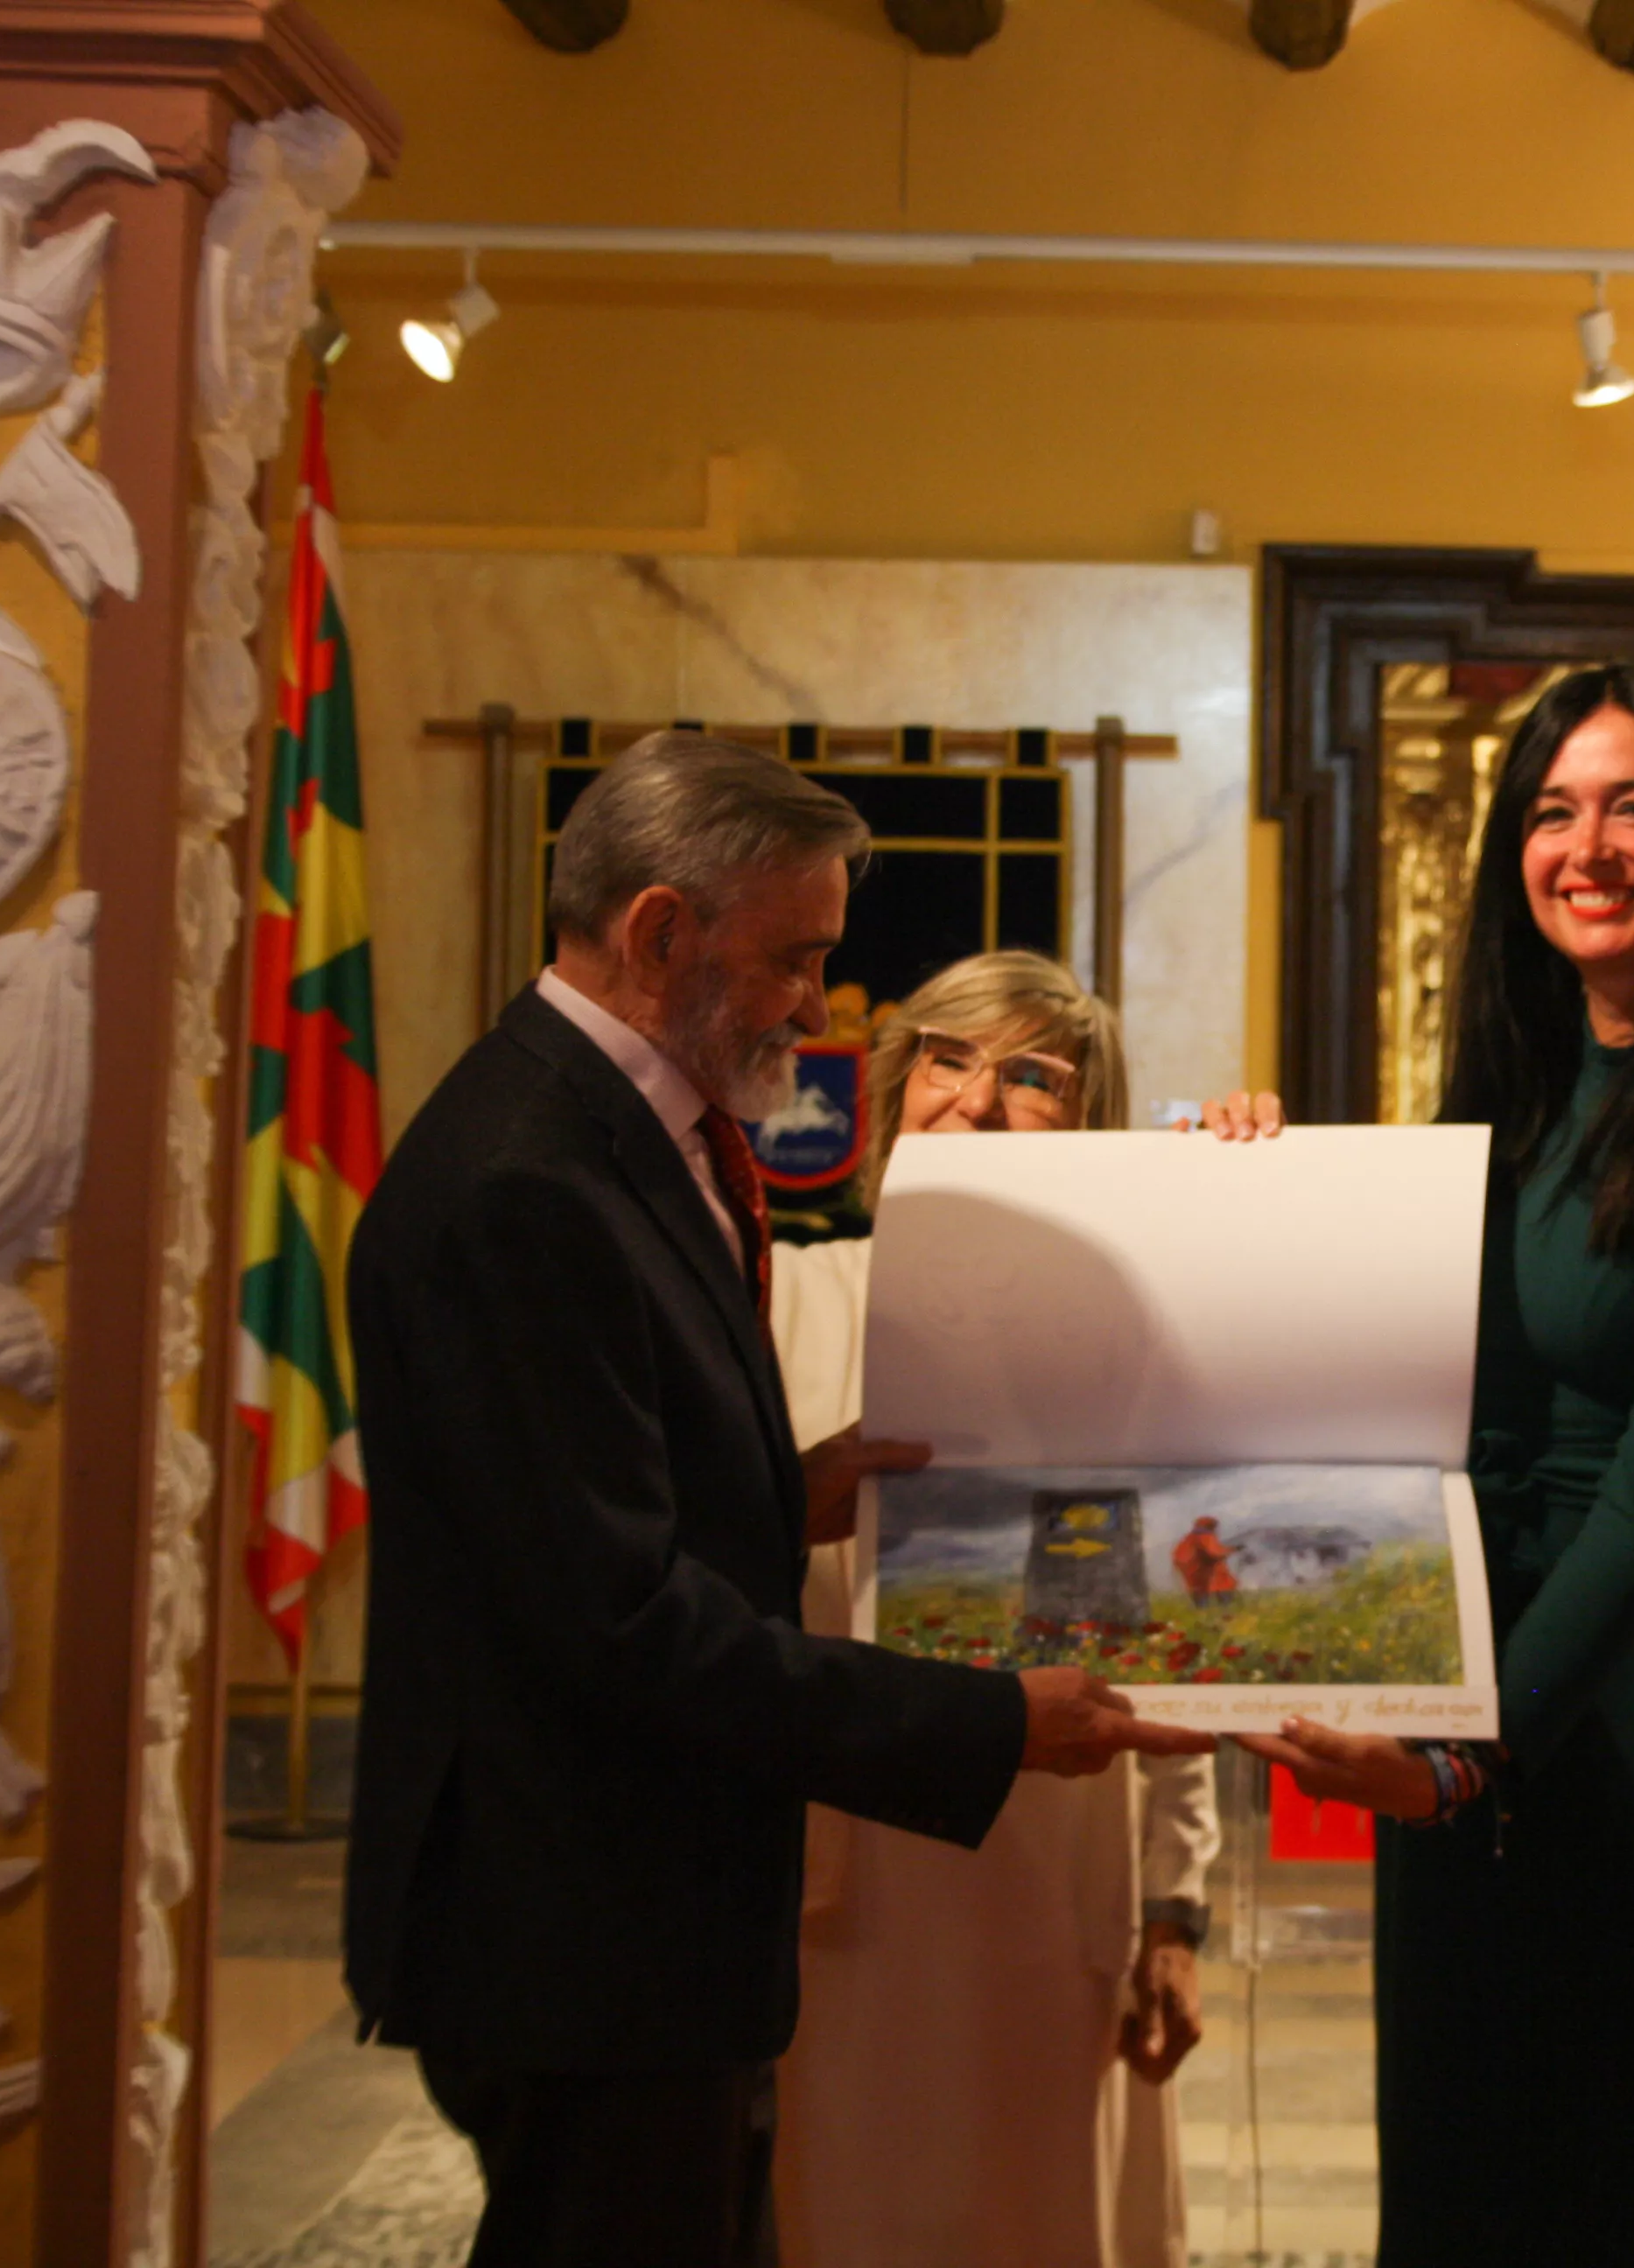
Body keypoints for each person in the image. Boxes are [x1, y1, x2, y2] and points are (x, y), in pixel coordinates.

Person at [344, 736, 1210, 2268]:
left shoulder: (604, 1145)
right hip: (593, 1923)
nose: (819, 1007)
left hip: (676, 1917)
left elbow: (611, 1512)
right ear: (664, 931)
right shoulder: (528, 1182)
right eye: (797, 959)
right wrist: (992, 1727)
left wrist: (781, 1495)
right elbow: (619, 1617)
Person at [1242, 663, 1634, 2268]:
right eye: (1549, 811)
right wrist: (1243, 1195)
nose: (1585, 846)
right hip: (1477, 1672)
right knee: (1470, 2170)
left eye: (1633, 804)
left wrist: (1471, 1757)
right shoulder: (1506, 1094)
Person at [768, 949, 1272, 2268]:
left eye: (1033, 1077)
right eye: (949, 1059)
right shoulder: (781, 1302)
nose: (978, 1103)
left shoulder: (1122, 1335)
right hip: (844, 1892)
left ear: (1089, 1127)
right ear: (894, 1089)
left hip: (1053, 1876)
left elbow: (1174, 1644)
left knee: (1044, 2221)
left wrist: (1177, 1912)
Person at [1171, 1515, 1237, 1609]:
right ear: (1211, 1526)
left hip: (1193, 1572)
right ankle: (1225, 1608)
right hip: (1206, 1571)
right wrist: (1231, 1551)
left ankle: (1203, 1611)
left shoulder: (1190, 1538)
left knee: (1200, 1593)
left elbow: (1178, 1555)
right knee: (1224, 1585)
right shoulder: (1205, 1536)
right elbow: (1214, 1553)